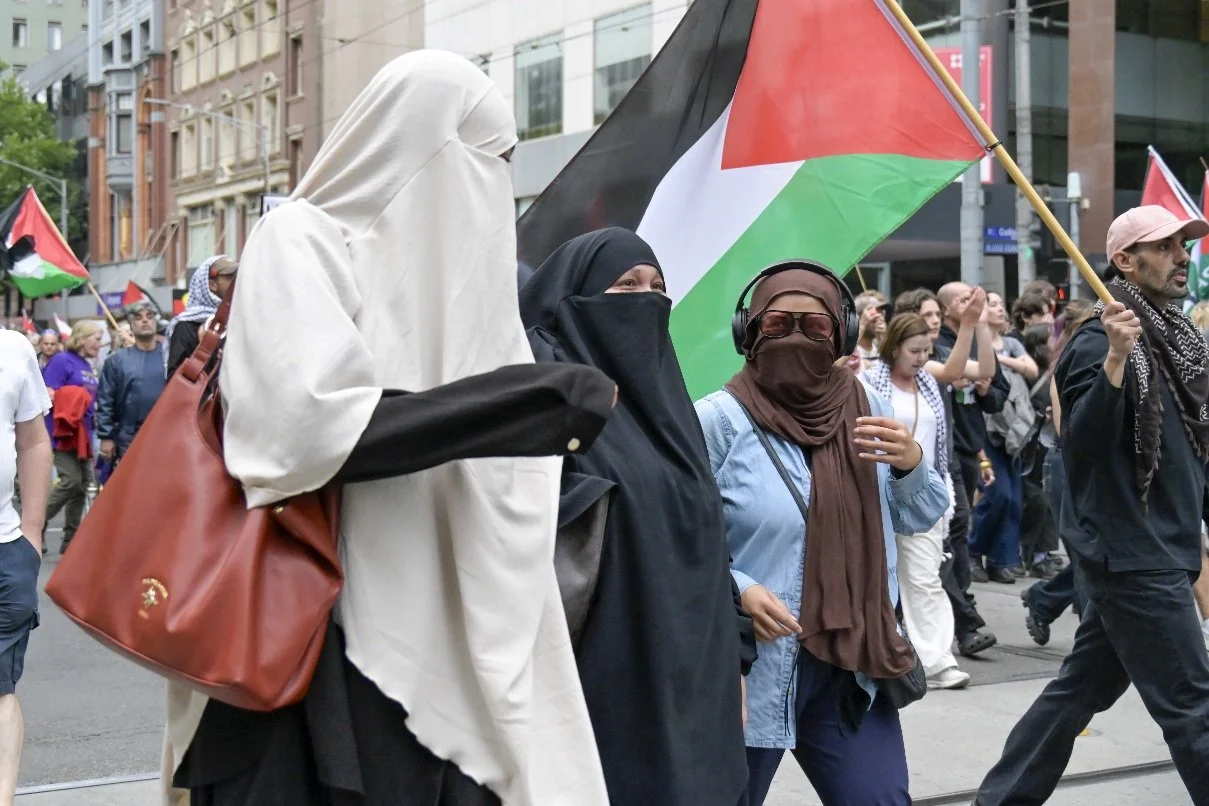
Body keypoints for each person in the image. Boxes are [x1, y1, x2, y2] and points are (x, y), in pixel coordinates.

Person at [165, 51, 620, 806]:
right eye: (485, 159)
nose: (492, 185)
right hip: (317, 643)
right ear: (421, 145)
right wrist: (513, 406)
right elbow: (297, 431)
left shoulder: (468, 289)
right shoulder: (302, 240)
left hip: (461, 631)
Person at [975, 205, 1209, 805]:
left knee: (1076, 694)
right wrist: (1112, 360)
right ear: (1126, 260)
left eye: (1184, 245)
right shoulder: (1098, 339)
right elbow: (1081, 445)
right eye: (1166, 247)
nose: (1182, 257)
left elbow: (1193, 452)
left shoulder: (1178, 340)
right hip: (1134, 559)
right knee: (1194, 709)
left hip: (1162, 550)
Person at [697, 262, 949, 806]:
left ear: (841, 334)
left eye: (814, 327)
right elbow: (677, 539)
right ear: (749, 332)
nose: (795, 336)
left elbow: (919, 516)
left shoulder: (869, 407)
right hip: (751, 667)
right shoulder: (717, 421)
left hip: (851, 662)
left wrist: (912, 465)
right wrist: (737, 587)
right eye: (777, 323)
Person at [519, 228, 752, 806]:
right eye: (626, 285)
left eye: (657, 287)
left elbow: (704, 540)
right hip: (599, 687)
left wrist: (734, 661)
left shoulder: (669, 411)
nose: (646, 300)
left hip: (694, 687)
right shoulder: (545, 401)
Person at [865, 312, 982, 690]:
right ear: (893, 348)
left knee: (925, 578)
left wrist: (970, 325)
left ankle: (937, 660)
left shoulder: (930, 384)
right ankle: (884, 655)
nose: (920, 358)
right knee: (878, 579)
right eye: (913, 351)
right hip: (878, 494)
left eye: (925, 351)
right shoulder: (868, 382)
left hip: (924, 494)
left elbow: (960, 371)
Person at [894, 288, 998, 658]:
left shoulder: (927, 369)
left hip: (939, 471)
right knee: (921, 568)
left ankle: (950, 636)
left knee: (946, 551)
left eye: (938, 314)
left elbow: (983, 371)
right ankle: (951, 632)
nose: (935, 320)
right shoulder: (876, 376)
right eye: (927, 314)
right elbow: (954, 372)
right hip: (894, 484)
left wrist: (978, 325)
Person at [0, 331, 51, 806]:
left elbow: (33, 441)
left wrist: (32, 532)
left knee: (0, 687)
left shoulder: (14, 348)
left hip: (5, 545)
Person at [41, 320, 102, 555]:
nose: (99, 343)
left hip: (83, 434)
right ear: (82, 338)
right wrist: (73, 398)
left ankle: (70, 540)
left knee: (81, 486)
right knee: (71, 481)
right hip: (62, 433)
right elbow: (47, 393)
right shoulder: (61, 360)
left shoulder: (87, 364)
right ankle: (34, 524)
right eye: (96, 338)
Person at [95, 302, 166, 463]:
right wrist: (106, 436)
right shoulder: (116, 361)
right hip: (128, 437)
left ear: (156, 322)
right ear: (131, 325)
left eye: (149, 317)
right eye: (139, 318)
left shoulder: (169, 356)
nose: (145, 321)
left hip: (165, 434)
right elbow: (106, 400)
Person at [166, 256, 236, 378]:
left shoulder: (237, 321)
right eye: (229, 277)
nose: (236, 281)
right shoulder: (186, 326)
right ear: (213, 285)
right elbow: (176, 378)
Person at [986, 291, 1039, 381]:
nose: (1001, 309)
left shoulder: (1011, 342)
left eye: (1002, 305)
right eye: (993, 305)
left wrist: (1000, 358)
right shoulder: (974, 344)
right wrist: (1017, 362)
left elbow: (1033, 371)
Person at [854, 291, 889, 368]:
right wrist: (862, 326)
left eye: (882, 314)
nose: (880, 319)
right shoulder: (849, 350)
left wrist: (883, 337)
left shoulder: (879, 348)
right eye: (874, 315)